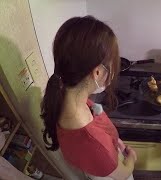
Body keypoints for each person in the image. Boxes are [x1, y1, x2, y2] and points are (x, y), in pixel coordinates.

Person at [40, 16, 137, 180]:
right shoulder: (93, 142)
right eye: (113, 63)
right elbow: (123, 174)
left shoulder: (65, 96)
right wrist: (132, 158)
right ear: (97, 72)